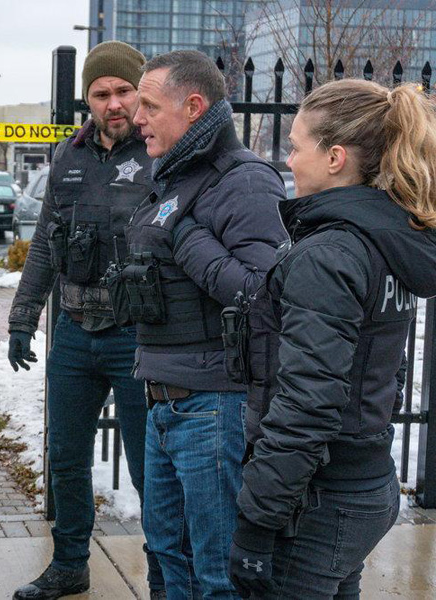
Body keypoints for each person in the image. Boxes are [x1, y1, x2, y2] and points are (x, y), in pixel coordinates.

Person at [228, 79, 436, 599]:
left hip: (323, 499)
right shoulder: (383, 239)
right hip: (362, 482)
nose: (290, 161)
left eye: (296, 147)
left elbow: (308, 401)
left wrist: (257, 520)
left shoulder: (333, 253)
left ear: (335, 157)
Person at [124, 50, 287, 598]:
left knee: (217, 570)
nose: (135, 116)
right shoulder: (172, 176)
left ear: (193, 107)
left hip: (213, 404)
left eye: (149, 104)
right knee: (168, 552)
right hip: (163, 397)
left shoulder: (244, 182)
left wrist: (187, 239)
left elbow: (266, 297)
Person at [8, 41, 165, 599]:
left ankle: (165, 576)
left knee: (152, 471)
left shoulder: (160, 154)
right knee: (66, 459)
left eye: (124, 91)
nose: (114, 102)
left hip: (138, 336)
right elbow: (45, 247)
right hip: (75, 333)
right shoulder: (66, 157)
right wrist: (22, 318)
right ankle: (70, 563)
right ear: (88, 101)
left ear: (140, 93)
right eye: (102, 93)